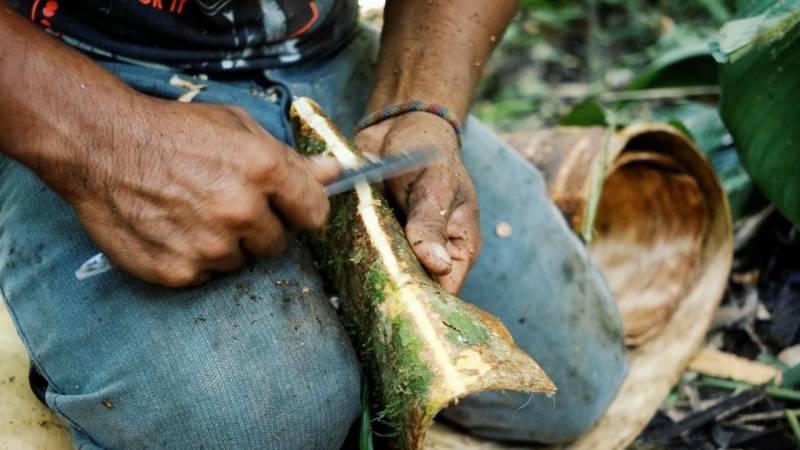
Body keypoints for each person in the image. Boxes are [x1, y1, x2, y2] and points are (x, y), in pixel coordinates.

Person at [0, 1, 627, 448]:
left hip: (322, 47)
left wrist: (422, 104)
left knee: (573, 375)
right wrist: (105, 146)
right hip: (68, 72)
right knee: (253, 428)